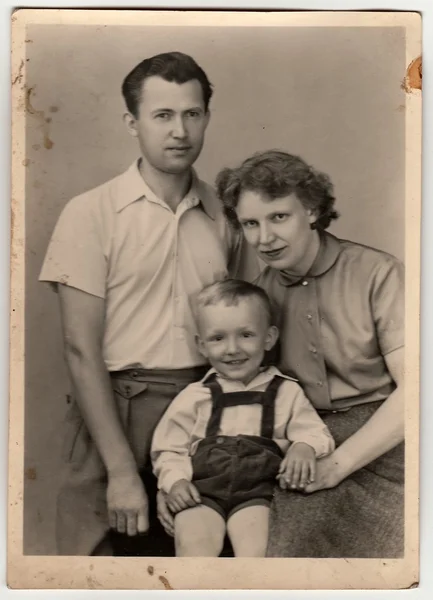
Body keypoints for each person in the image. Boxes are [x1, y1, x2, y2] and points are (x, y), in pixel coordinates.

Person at [38, 51, 257, 557]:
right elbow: (79, 348)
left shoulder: (226, 216)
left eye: (192, 114)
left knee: (207, 569)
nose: (179, 131)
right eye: (162, 115)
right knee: (100, 565)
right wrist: (120, 470)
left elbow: (244, 321)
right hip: (116, 411)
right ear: (131, 122)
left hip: (207, 410)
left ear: (206, 117)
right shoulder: (91, 212)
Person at [208, 149, 405, 558]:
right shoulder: (257, 298)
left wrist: (339, 464)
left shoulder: (378, 272)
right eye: (250, 223)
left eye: (279, 217)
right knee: (281, 550)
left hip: (389, 446)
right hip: (302, 444)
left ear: (312, 211)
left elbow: (422, 390)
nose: (264, 238)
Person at [150, 279, 335, 557]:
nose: (232, 349)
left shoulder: (286, 391)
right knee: (194, 544)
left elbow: (317, 433)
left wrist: (303, 446)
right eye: (218, 338)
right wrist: (175, 481)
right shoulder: (196, 395)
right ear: (201, 345)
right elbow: (168, 449)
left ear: (269, 338)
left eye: (246, 335)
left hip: (258, 495)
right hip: (202, 494)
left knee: (257, 549)